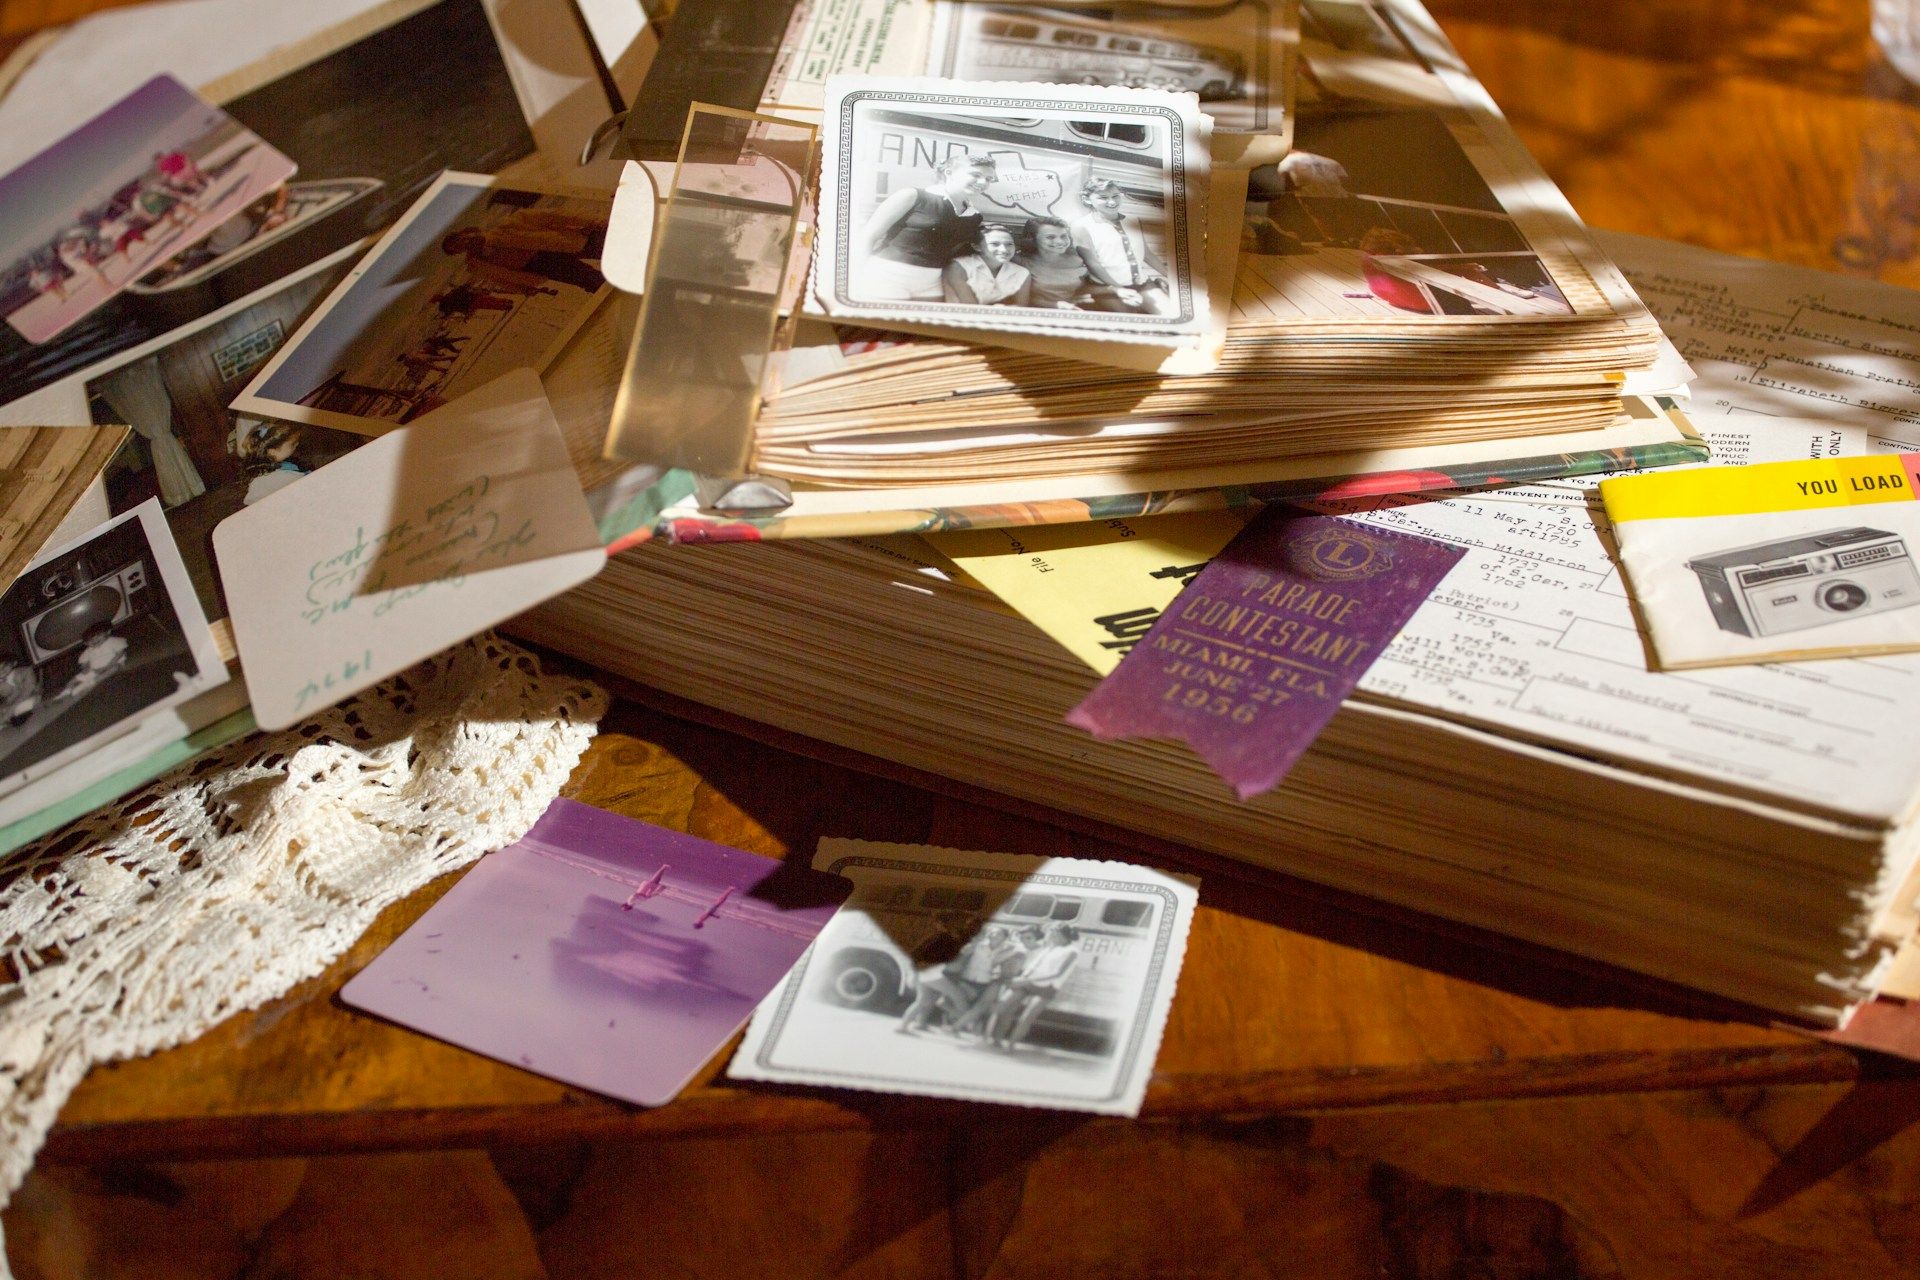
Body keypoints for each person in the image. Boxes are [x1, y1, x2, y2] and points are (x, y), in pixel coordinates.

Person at [854, 153, 995, 302]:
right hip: (887, 276)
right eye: (975, 175)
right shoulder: (912, 196)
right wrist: (853, 279)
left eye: (988, 179)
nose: (982, 182)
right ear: (949, 172)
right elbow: (867, 237)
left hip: (931, 283)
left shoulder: (974, 216)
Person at [441, 207, 607, 295]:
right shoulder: (477, 264)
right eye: (458, 248)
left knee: (607, 249)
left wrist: (588, 221)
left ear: (464, 232)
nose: (464, 243)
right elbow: (499, 278)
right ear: (458, 252)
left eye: (459, 240)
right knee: (588, 279)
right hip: (539, 266)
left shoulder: (510, 223)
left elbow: (553, 215)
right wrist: (521, 288)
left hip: (556, 244)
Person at [1069, 178, 1175, 316]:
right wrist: (1118, 289)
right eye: (1103, 197)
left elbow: (1147, 254)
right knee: (1132, 323)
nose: (1112, 202)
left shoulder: (1133, 220)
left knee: (1170, 315)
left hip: (1143, 284)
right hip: (1107, 288)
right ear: (1088, 199)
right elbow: (1092, 264)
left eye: (1115, 196)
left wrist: (1171, 277)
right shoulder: (1081, 226)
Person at [989, 922, 1081, 1051]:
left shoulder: (1072, 951)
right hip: (1028, 981)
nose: (1048, 936)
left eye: (1051, 933)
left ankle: (1011, 1046)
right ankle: (996, 1040)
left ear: (1059, 935)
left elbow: (1057, 973)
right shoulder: (1050, 946)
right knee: (1005, 1006)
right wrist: (1023, 978)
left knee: (1027, 1017)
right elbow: (1036, 963)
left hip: (1048, 987)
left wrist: (1026, 981)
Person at [896, 911, 979, 1034]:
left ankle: (902, 1026)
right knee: (959, 996)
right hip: (932, 975)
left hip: (927, 974)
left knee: (923, 1001)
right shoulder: (943, 938)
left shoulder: (941, 937)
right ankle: (964, 1026)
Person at [1017, 216, 1096, 310]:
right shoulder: (1020, 261)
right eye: (1050, 237)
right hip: (1036, 313)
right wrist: (1056, 305)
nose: (1059, 241)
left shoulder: (1080, 259)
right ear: (1033, 239)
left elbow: (1089, 287)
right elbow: (1019, 300)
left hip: (1075, 310)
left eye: (1063, 236)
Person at [941, 225, 1031, 306]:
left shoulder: (1022, 273)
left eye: (1009, 244)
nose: (1004, 250)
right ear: (976, 246)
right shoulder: (958, 267)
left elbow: (1021, 308)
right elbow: (970, 307)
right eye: (994, 244)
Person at [59, 623, 129, 701]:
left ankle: (90, 683)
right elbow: (84, 661)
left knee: (115, 668)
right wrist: (85, 668)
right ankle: (65, 693)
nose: (95, 640)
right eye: (91, 640)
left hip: (111, 665)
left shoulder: (112, 641)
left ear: (107, 632)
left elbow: (120, 653)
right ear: (86, 643)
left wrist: (107, 667)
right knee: (74, 680)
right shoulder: (89, 650)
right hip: (95, 670)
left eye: (98, 636)